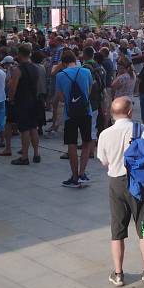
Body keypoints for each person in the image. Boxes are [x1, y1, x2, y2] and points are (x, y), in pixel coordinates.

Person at [96, 96, 144, 287]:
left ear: (112, 113)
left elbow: (103, 161)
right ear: (130, 112)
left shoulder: (105, 134)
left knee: (117, 229)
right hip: (140, 184)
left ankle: (118, 273)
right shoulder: (141, 129)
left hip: (117, 183)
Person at [55, 50, 94, 188]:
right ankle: (82, 173)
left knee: (71, 143)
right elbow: (89, 91)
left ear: (63, 63)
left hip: (69, 113)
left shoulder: (60, 75)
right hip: (85, 111)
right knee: (86, 142)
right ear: (75, 59)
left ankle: (74, 176)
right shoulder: (86, 72)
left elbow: (60, 98)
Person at [7, 44, 41, 165]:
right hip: (33, 100)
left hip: (22, 102)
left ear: (20, 54)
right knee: (33, 128)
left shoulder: (18, 70)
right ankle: (36, 153)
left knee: (25, 130)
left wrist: (10, 99)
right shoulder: (35, 68)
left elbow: (13, 87)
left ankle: (25, 156)